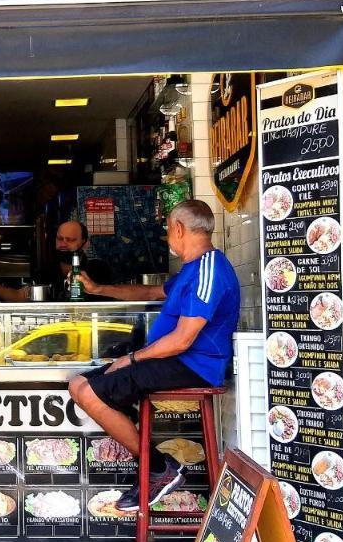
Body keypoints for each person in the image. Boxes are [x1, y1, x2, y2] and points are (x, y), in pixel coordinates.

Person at [68, 200, 240, 511]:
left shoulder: (209, 270)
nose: (167, 238)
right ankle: (155, 461)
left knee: (92, 392)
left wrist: (132, 359)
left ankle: (159, 468)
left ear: (178, 229)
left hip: (191, 366)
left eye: (167, 231)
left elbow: (183, 340)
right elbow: (151, 293)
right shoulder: (192, 269)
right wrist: (98, 288)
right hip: (170, 361)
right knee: (78, 384)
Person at [0, 220, 114, 302]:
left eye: (70, 240)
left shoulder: (98, 269)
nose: (63, 244)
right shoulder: (47, 269)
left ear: (85, 243)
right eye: (60, 239)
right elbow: (20, 296)